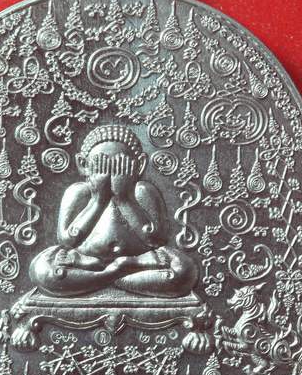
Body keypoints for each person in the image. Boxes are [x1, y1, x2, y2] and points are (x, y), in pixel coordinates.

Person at [30, 125, 198, 297]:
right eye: (101, 165)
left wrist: (124, 199)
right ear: (83, 164)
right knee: (43, 272)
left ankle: (107, 275)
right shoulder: (79, 192)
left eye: (120, 166)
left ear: (139, 165)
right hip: (84, 261)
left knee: (184, 271)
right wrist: (98, 200)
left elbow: (157, 239)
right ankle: (115, 275)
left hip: (139, 261)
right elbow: (67, 240)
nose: (110, 174)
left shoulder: (142, 191)